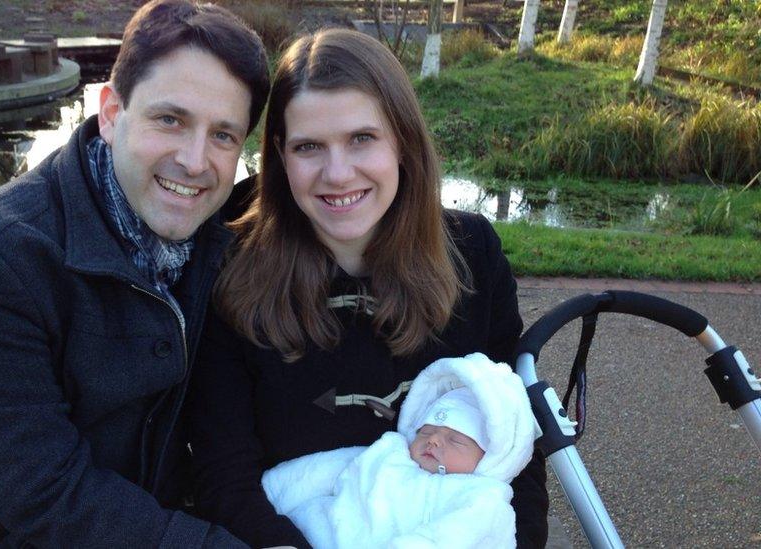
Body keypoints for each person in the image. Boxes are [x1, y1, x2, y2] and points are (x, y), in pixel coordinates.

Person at [0, 1, 269, 546]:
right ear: (110, 112)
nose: (196, 160)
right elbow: (45, 493)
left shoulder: (221, 234)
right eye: (170, 119)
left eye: (224, 135)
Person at [186, 28, 549, 549]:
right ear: (280, 157)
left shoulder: (472, 253)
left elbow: (517, 438)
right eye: (309, 147)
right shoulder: (229, 268)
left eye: (362, 138)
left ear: (401, 140)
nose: (338, 173)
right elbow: (225, 475)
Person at [260, 353, 537, 549]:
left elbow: (450, 539)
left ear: (490, 457)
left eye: (455, 440)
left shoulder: (482, 499)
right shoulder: (392, 452)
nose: (434, 442)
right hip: (327, 532)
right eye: (427, 432)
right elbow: (326, 470)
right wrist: (275, 491)